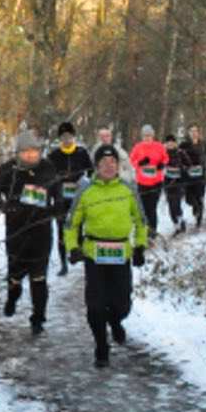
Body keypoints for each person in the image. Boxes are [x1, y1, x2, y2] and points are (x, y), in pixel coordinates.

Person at [65, 143, 149, 367]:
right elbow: (71, 224)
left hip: (121, 254)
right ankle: (101, 347)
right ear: (96, 166)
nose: (109, 167)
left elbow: (141, 221)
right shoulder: (86, 189)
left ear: (119, 165)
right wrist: (73, 248)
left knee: (122, 304)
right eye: (104, 163)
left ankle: (115, 321)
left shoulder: (128, 188)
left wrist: (140, 246)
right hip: (94, 254)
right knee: (95, 305)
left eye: (113, 163)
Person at [0, 129, 62, 333]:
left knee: (39, 278)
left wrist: (55, 211)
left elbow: (59, 195)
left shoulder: (48, 168)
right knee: (15, 276)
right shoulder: (8, 169)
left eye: (34, 151)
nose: (30, 155)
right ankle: (12, 298)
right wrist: (6, 207)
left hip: (41, 232)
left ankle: (38, 318)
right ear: (17, 153)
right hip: (16, 232)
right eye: (25, 152)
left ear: (40, 152)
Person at [46, 121, 93, 276]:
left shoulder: (82, 152)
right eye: (64, 137)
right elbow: (47, 178)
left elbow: (91, 171)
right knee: (61, 231)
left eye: (69, 136)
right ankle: (63, 265)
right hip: (60, 199)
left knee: (78, 228)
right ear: (60, 138)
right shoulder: (53, 155)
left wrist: (89, 186)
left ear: (74, 137)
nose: (67, 140)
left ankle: (77, 254)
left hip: (78, 198)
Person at [129, 124, 169, 238]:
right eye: (145, 136)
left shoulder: (159, 146)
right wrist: (139, 163)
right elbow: (131, 160)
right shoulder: (138, 147)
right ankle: (144, 231)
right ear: (142, 136)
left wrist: (162, 164)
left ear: (153, 136)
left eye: (149, 135)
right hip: (142, 183)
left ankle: (152, 233)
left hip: (156, 182)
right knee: (144, 208)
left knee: (152, 207)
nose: (147, 138)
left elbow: (166, 158)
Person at [178, 125, 206, 232]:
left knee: (200, 198)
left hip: (201, 177)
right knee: (189, 199)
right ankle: (196, 208)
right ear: (188, 133)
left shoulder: (204, 145)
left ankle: (199, 221)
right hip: (188, 177)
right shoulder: (183, 145)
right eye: (191, 131)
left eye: (196, 131)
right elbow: (178, 158)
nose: (194, 133)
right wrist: (183, 168)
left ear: (199, 132)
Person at [161, 133, 189, 232]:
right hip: (168, 183)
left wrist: (182, 169)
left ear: (175, 143)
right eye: (168, 143)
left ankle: (181, 223)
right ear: (165, 144)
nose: (170, 144)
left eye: (172, 142)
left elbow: (188, 164)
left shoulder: (180, 152)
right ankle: (177, 225)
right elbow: (159, 166)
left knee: (176, 204)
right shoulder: (163, 153)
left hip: (179, 183)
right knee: (171, 206)